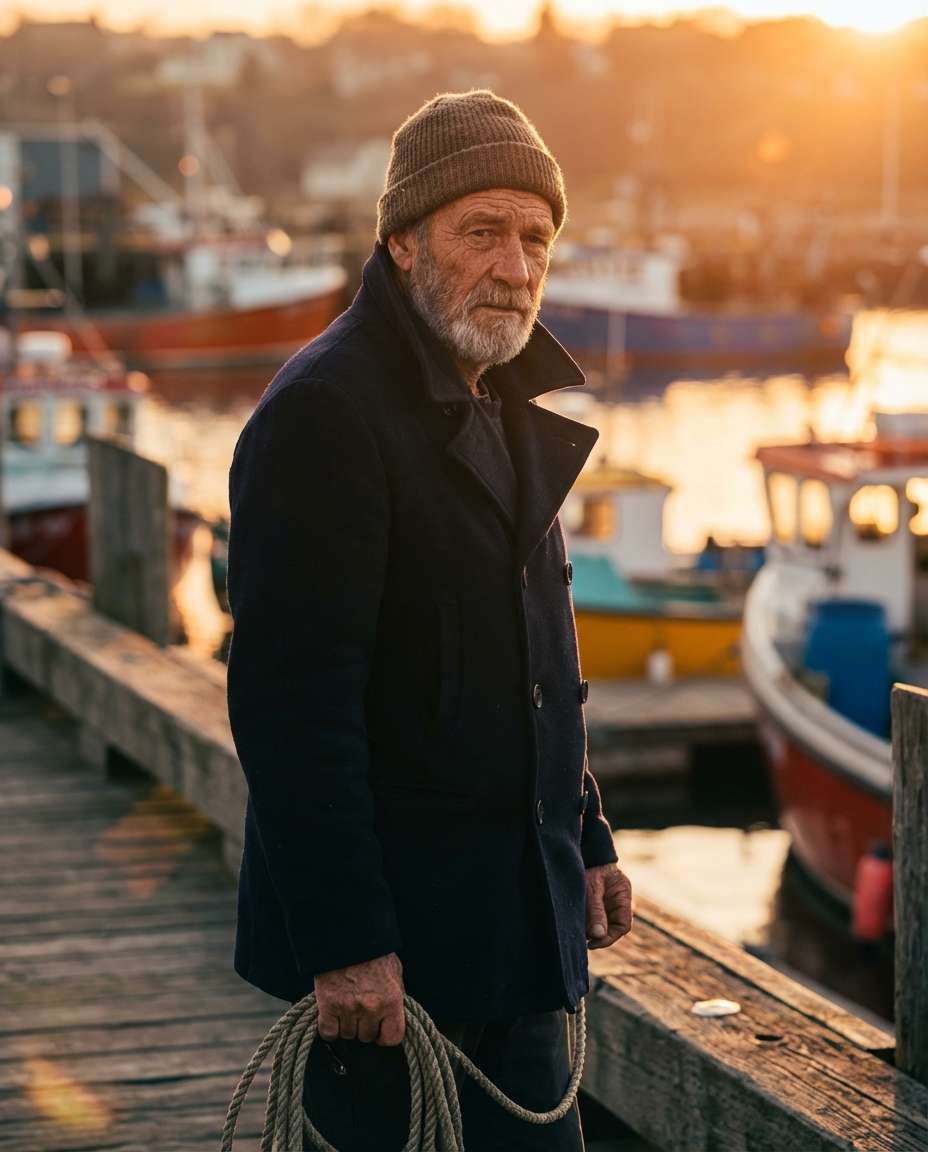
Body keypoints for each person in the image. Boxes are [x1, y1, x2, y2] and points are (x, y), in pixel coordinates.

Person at [226, 89, 633, 1151]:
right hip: (395, 965)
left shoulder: (499, 396)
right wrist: (346, 940)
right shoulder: (325, 414)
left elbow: (534, 662)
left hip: (520, 935)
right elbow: (291, 707)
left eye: (535, 238)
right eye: (482, 232)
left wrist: (584, 835)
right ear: (403, 240)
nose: (515, 265)